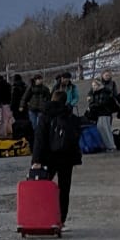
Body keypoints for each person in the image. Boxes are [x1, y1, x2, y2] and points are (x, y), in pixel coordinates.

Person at [31, 97, 84, 226]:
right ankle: (61, 220)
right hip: (67, 157)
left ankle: (43, 217)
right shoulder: (69, 115)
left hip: (49, 157)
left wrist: (36, 160)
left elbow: (39, 139)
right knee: (64, 189)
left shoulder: (44, 116)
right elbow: (76, 136)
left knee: (42, 187)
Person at [23, 76, 55, 149]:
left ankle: (40, 141)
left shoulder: (45, 88)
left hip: (41, 109)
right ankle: (36, 141)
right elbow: (25, 97)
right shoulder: (30, 88)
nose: (40, 81)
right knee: (34, 126)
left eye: (41, 79)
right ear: (35, 80)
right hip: (32, 109)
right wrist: (22, 105)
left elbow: (49, 98)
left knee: (40, 126)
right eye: (39, 79)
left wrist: (47, 106)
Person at [90, 77, 116, 152]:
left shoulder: (104, 92)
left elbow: (101, 103)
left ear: (99, 85)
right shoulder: (96, 93)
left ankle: (111, 146)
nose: (93, 87)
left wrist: (92, 105)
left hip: (105, 113)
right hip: (100, 113)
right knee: (101, 129)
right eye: (93, 86)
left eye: (95, 85)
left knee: (106, 130)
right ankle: (108, 145)